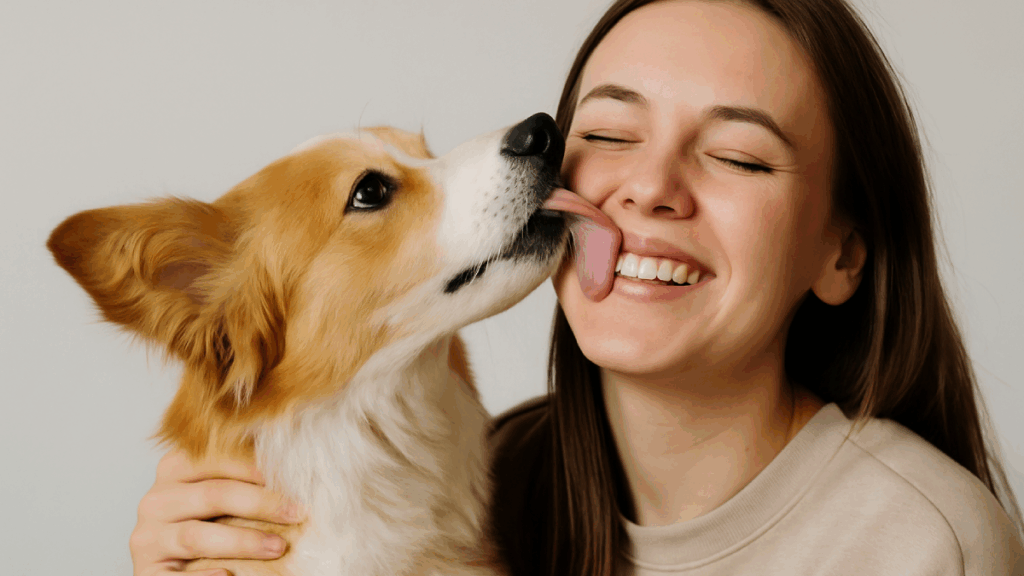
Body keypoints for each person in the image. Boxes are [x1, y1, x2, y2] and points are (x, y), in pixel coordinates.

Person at [129, 1, 1024, 575]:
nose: (650, 187)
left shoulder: (923, 542)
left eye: (738, 155)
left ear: (843, 254)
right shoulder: (492, 479)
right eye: (613, 134)